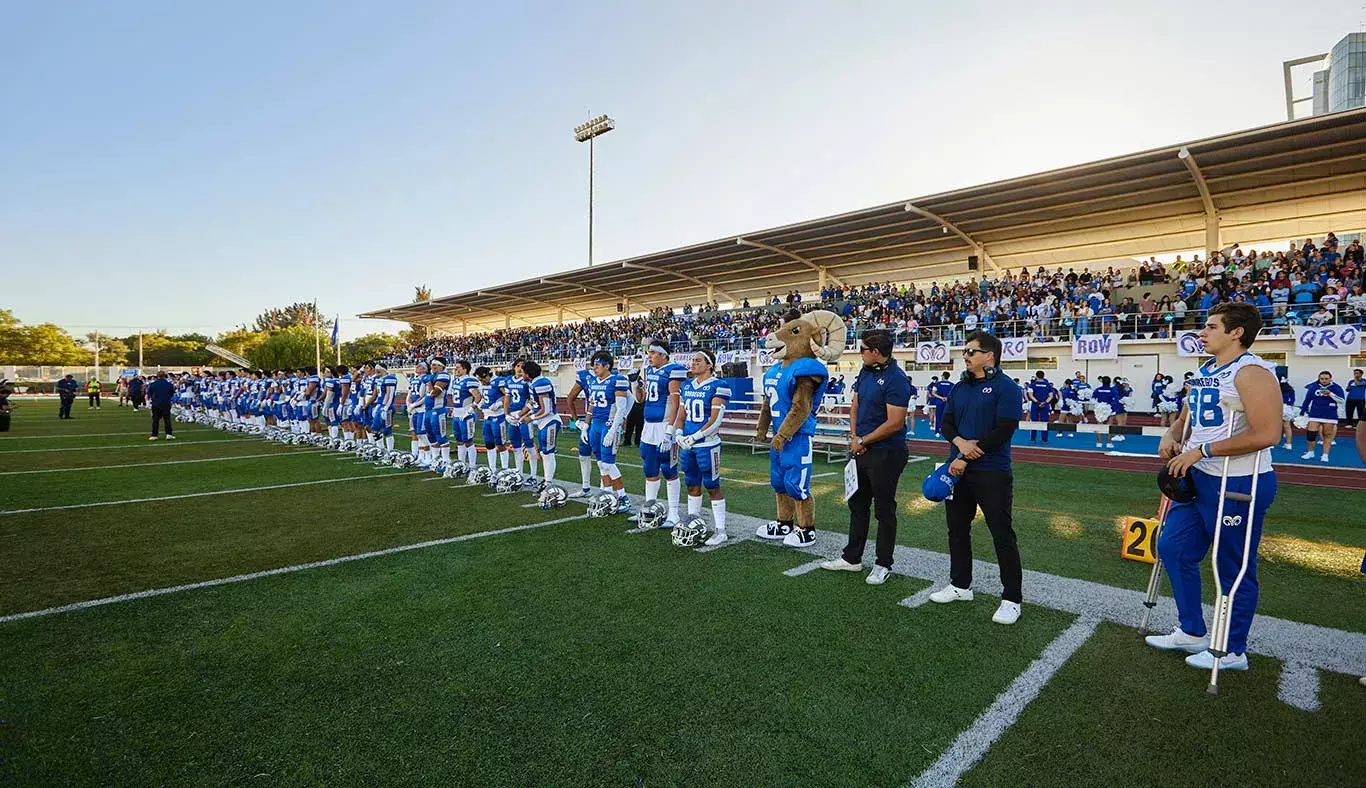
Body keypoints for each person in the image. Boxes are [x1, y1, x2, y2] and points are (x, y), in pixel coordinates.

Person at [1149, 302, 1279, 673]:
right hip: (1200, 477)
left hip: (1238, 480)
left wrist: (1202, 450)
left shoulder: (1252, 372)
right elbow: (1190, 415)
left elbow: (1267, 433)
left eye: (1210, 326)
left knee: (1232, 566)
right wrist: (1172, 432)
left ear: (1236, 332)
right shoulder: (1207, 370)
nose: (1202, 333)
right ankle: (1192, 630)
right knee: (1172, 547)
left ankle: (1232, 648)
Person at [929, 331, 1025, 625]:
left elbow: (1004, 430)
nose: (965, 356)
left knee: (1001, 533)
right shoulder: (960, 388)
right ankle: (960, 585)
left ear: (989, 355)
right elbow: (945, 423)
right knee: (956, 529)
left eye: (971, 351)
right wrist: (960, 446)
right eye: (965, 351)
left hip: (992, 471)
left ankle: (1012, 599)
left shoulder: (1006, 387)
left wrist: (968, 453)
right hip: (957, 470)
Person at [821, 329, 910, 583]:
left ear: (875, 352)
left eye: (862, 349)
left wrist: (863, 440)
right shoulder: (865, 371)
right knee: (857, 505)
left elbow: (894, 423)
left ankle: (883, 563)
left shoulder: (896, 379)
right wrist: (853, 437)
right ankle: (852, 558)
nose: (859, 353)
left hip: (886, 453)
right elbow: (855, 406)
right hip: (861, 449)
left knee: (884, 510)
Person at [628, 339, 685, 532]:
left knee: (669, 469)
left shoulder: (673, 370)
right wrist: (635, 383)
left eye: (652, 352)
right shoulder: (650, 370)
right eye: (648, 353)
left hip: (664, 426)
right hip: (648, 427)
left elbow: (676, 403)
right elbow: (640, 399)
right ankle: (649, 507)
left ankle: (674, 513)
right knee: (649, 468)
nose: (649, 356)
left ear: (663, 354)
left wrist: (671, 431)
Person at [674, 349, 731, 545]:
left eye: (698, 361)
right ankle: (693, 523)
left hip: (707, 445)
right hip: (688, 444)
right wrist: (679, 433)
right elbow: (681, 415)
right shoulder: (686, 385)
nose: (693, 363)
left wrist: (695, 437)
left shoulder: (718, 386)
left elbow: (715, 421)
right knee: (691, 483)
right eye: (692, 360)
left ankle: (720, 530)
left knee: (712, 486)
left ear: (709, 365)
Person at [1299, 371, 1345, 463]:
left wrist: (1330, 394)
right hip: (1315, 414)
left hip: (1329, 415)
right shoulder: (1314, 387)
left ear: (1330, 378)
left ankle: (1325, 455)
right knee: (1311, 434)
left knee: (1327, 435)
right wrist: (1302, 412)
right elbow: (1307, 400)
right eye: (1322, 379)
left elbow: (1342, 400)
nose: (1324, 380)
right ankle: (1310, 452)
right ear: (1319, 378)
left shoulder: (1336, 387)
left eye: (1326, 379)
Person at [1025, 371, 1056, 444]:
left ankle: (1033, 439)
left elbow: (1030, 395)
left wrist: (1038, 402)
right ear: (1043, 376)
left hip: (1035, 405)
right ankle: (1044, 440)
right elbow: (1051, 396)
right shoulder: (1048, 385)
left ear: (1036, 376)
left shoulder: (1032, 385)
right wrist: (1044, 403)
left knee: (1034, 421)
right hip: (1045, 405)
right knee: (1044, 422)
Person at [146, 371, 177, 440]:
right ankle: (169, 434)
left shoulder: (153, 384)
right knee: (167, 419)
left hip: (156, 403)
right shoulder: (169, 384)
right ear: (164, 376)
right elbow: (172, 393)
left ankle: (154, 435)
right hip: (166, 403)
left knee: (155, 420)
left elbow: (149, 394)